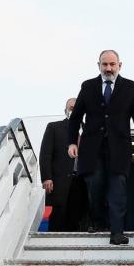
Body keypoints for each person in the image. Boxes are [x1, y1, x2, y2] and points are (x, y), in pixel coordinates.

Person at [67, 50, 134, 245]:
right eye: (105, 64)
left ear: (120, 65)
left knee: (117, 191)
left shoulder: (130, 87)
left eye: (112, 64)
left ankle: (117, 232)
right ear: (99, 65)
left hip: (119, 149)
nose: (109, 68)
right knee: (95, 186)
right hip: (92, 150)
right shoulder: (88, 86)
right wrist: (71, 142)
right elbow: (76, 117)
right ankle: (98, 219)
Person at [40, 98, 80, 231]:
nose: (74, 110)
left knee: (77, 218)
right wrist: (46, 177)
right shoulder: (54, 127)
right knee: (58, 219)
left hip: (82, 182)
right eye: (71, 107)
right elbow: (46, 154)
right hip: (59, 181)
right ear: (66, 110)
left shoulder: (90, 130)